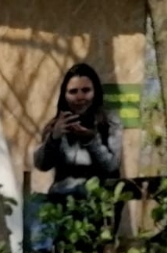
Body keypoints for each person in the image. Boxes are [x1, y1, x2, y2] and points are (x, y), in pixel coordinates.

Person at [33, 63, 123, 199]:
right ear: (64, 95)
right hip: (62, 203)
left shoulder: (110, 123)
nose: (80, 97)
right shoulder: (56, 125)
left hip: (99, 203)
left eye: (86, 90)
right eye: (73, 92)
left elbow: (111, 167)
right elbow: (41, 165)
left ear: (96, 92)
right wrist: (54, 138)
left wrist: (91, 141)